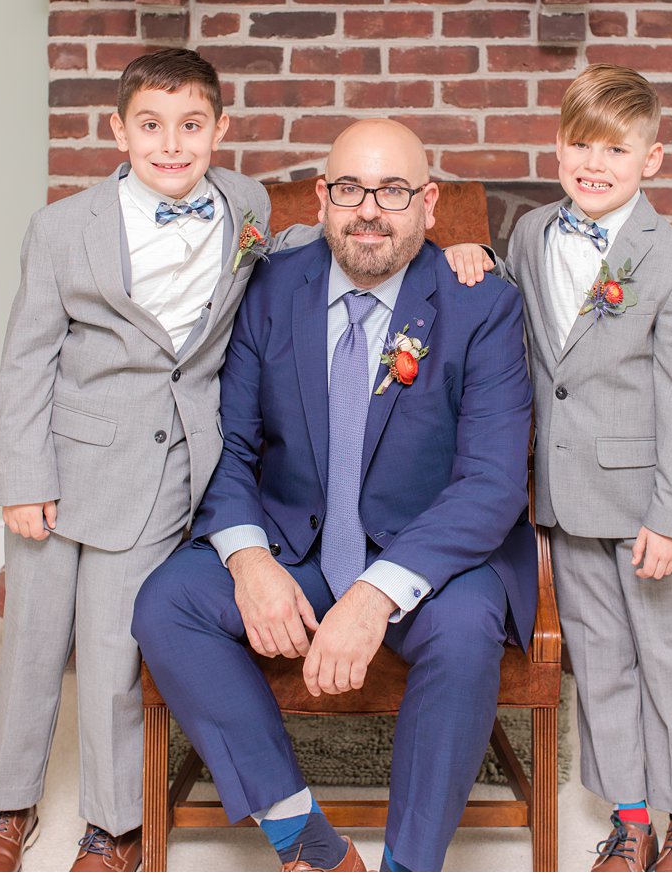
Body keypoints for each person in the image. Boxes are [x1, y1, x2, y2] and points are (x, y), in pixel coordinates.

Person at [131, 118, 535, 873]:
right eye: (349, 188)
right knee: (166, 602)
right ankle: (307, 841)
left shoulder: (480, 304)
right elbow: (230, 445)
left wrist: (374, 596)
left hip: (434, 554)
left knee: (464, 631)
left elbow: (491, 483)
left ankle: (410, 864)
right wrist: (250, 561)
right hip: (298, 540)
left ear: (429, 203)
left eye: (393, 190)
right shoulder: (271, 288)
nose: (370, 208)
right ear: (322, 198)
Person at [0, 48, 300, 873]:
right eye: (152, 126)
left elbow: (292, 247)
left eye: (192, 126)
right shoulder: (62, 226)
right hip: (62, 461)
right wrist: (20, 481)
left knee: (118, 650)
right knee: (32, 644)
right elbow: (26, 360)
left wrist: (452, 252)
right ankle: (7, 802)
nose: (172, 145)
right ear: (117, 130)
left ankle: (114, 822)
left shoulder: (247, 204)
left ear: (221, 130)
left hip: (166, 465)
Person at [504, 64, 672, 872]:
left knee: (667, 654)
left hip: (641, 506)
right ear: (557, 147)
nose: (595, 164)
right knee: (598, 659)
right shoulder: (528, 235)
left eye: (616, 151)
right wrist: (467, 254)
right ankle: (629, 816)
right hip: (565, 499)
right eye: (579, 145)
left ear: (650, 161)